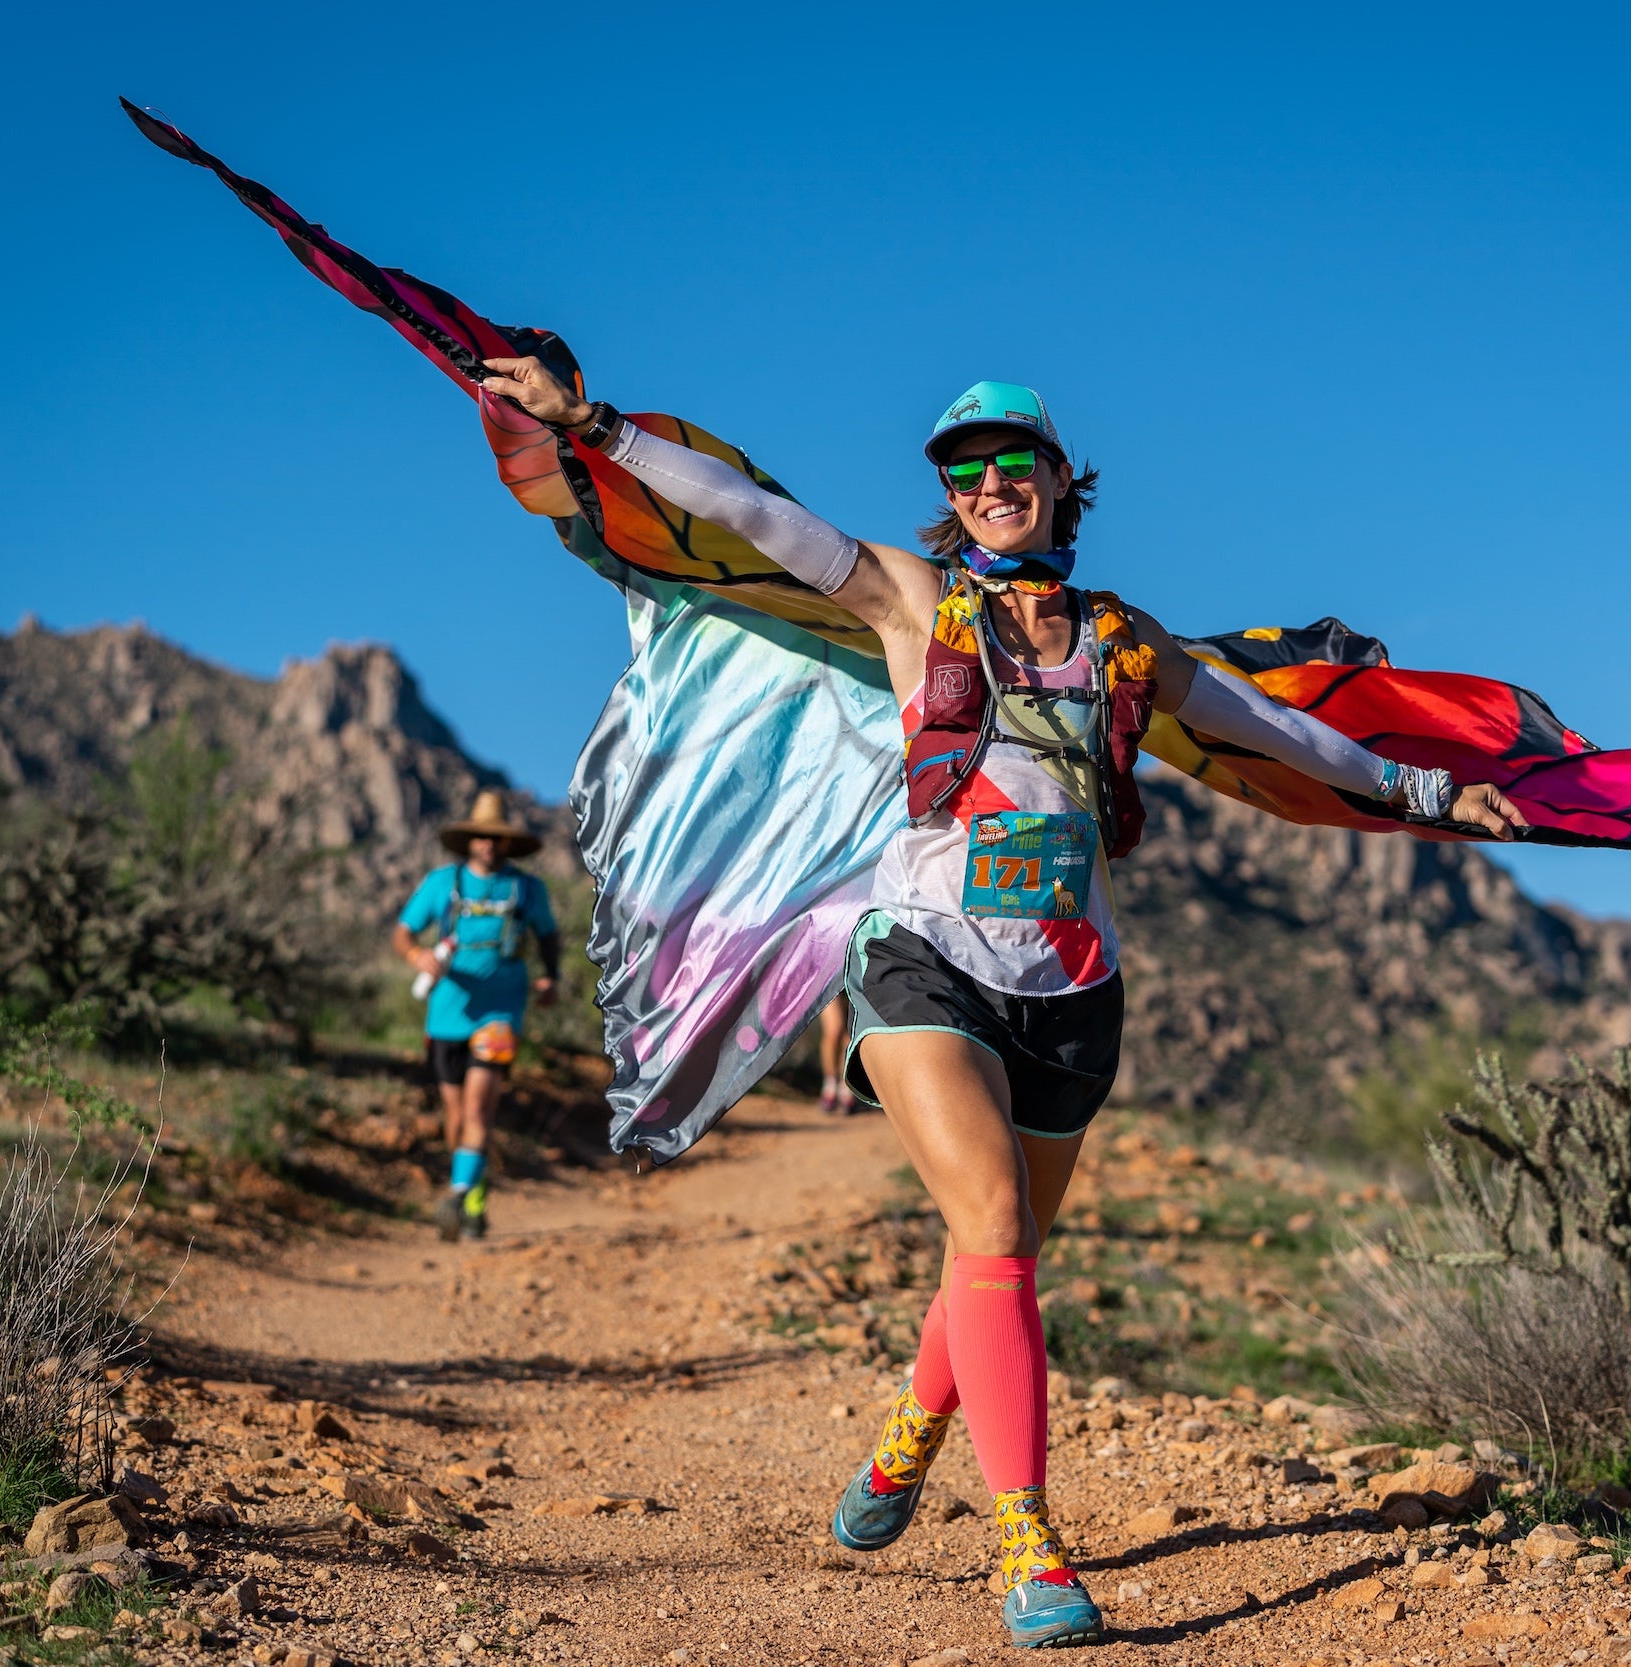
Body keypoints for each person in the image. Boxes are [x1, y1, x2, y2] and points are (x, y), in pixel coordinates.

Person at [474, 361, 1521, 1647]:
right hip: (926, 956)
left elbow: (1275, 731)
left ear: (1058, 477)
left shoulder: (1123, 637)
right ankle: (1031, 1544)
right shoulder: (913, 601)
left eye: (1009, 460)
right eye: (961, 468)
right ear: (949, 496)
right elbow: (752, 516)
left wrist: (1425, 797)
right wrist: (599, 429)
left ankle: (911, 1432)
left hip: (1076, 984)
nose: (987, 483)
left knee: (1001, 1243)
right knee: (992, 1225)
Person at [392, 790, 563, 1242]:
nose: (490, 844)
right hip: (446, 1014)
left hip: (501, 1012)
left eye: (498, 838)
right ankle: (470, 1189)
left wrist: (552, 978)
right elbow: (404, 933)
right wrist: (417, 958)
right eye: (482, 837)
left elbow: (548, 937)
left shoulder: (527, 890)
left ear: (508, 844)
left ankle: (461, 1192)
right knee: (455, 1116)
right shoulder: (440, 884)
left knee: (477, 1107)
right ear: (469, 841)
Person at [816, 994, 854, 1115]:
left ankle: (846, 1085)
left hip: (852, 977)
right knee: (834, 1029)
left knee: (850, 1031)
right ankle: (830, 1083)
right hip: (827, 979)